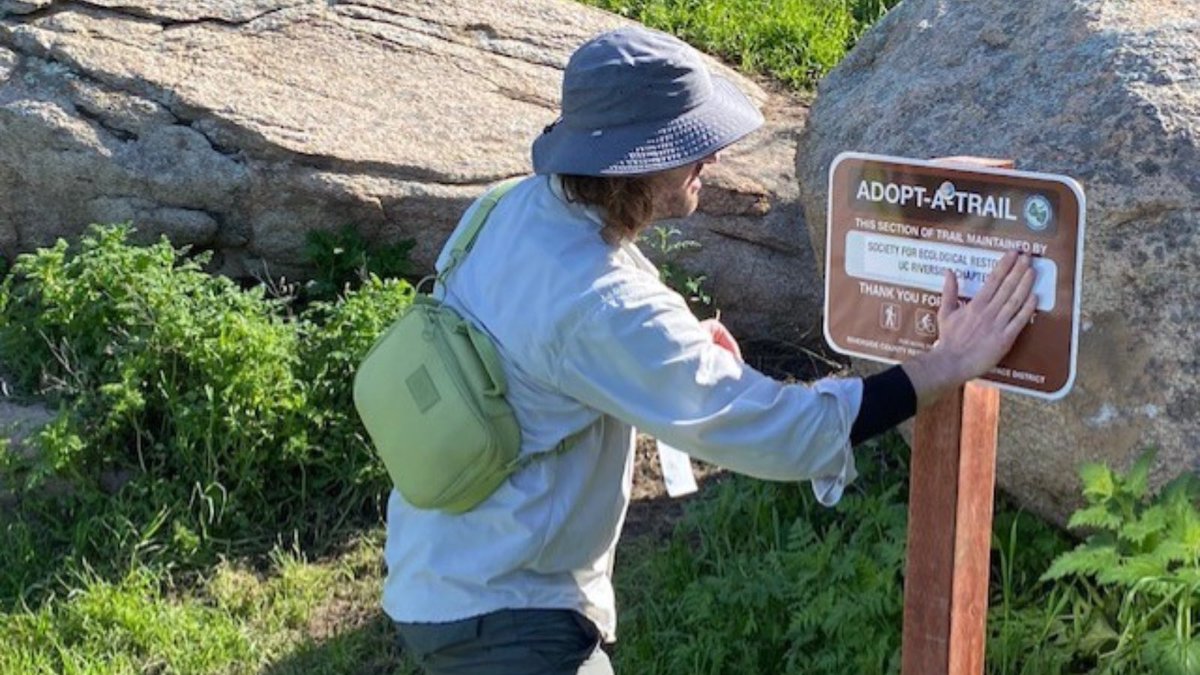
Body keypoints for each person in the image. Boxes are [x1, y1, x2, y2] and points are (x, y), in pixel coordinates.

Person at [383, 25, 1037, 675]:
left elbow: (541, 349)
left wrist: (681, 350)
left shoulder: (511, 209)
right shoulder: (602, 301)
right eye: (691, 142)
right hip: (509, 615)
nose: (713, 156)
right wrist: (947, 363)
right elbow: (785, 435)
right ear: (637, 159)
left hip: (432, 565)